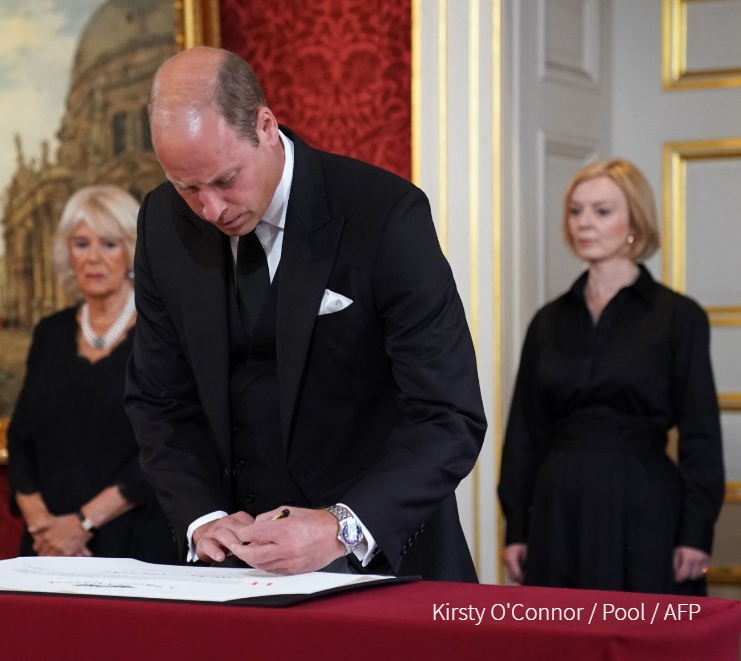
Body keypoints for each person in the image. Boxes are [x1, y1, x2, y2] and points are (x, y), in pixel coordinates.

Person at [124, 47, 486, 579]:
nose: (211, 209)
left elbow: (449, 417)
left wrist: (341, 528)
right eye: (188, 188)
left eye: (225, 180)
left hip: (384, 567)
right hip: (231, 576)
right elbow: (159, 401)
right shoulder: (161, 221)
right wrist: (203, 518)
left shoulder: (384, 214)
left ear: (266, 127)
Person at [498, 158, 724, 594]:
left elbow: (701, 435)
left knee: (642, 630)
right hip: (558, 508)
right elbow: (525, 434)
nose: (584, 222)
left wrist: (696, 532)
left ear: (635, 221)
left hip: (644, 503)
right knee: (560, 632)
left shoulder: (678, 316)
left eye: (602, 211)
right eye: (575, 211)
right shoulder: (547, 321)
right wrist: (517, 529)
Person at [7, 185, 176, 564]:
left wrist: (82, 524)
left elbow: (169, 444)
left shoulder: (164, 333)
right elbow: (20, 439)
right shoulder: (50, 333)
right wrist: (43, 528)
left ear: (131, 250)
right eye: (81, 244)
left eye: (109, 244)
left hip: (136, 544)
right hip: (48, 549)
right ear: (67, 253)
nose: (93, 257)